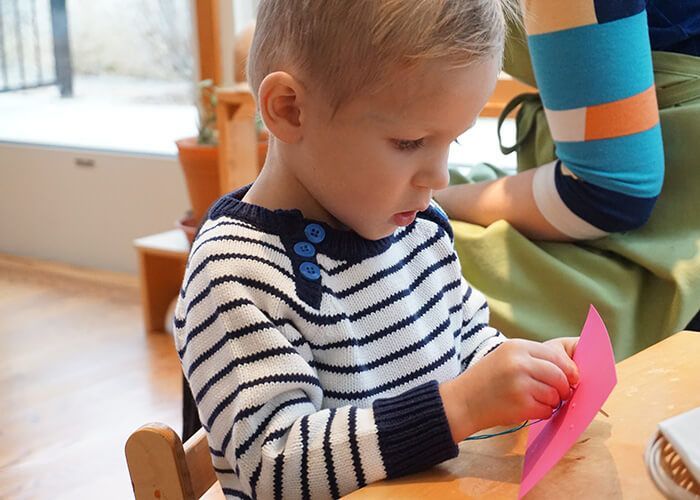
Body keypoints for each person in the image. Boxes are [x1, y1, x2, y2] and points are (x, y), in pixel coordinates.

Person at [173, 1, 581, 498]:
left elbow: (466, 336)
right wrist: (461, 407)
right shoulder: (235, 272)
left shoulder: (420, 228)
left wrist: (525, 371)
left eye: (452, 141)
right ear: (289, 108)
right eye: (410, 142)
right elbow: (272, 466)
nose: (439, 176)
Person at [434, 0, 700, 359]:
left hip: (664, 222)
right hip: (607, 170)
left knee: (400, 268)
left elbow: (609, 195)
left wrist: (434, 199)